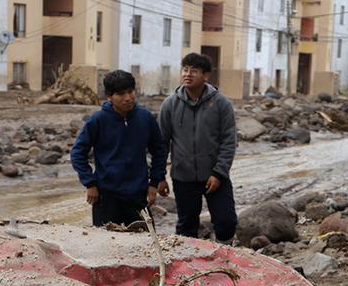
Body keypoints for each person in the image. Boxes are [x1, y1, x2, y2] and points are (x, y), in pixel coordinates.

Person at [70, 70, 168, 228]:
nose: (128, 98)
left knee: (145, 244)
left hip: (138, 195)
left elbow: (159, 151)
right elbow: (77, 153)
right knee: (106, 245)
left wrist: (154, 183)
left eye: (130, 92)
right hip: (106, 197)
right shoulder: (98, 120)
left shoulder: (145, 118)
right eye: (121, 94)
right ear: (109, 96)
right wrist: (90, 183)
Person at [158, 52, 238, 243]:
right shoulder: (170, 104)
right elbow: (161, 142)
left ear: (206, 76)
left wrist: (219, 173)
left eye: (194, 71)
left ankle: (225, 258)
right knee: (186, 226)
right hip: (183, 176)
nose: (188, 74)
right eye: (185, 70)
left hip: (215, 176)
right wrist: (159, 176)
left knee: (226, 221)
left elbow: (229, 141)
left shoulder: (221, 104)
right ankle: (189, 266)